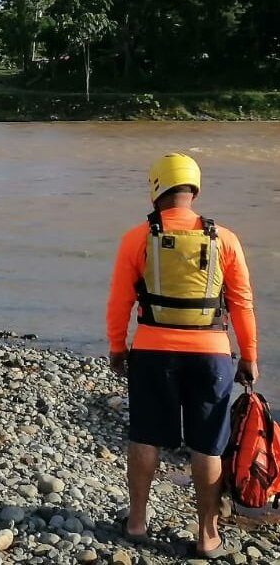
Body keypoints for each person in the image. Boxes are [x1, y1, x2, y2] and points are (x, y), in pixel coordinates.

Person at [107, 152, 258, 558]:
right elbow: (242, 303)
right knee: (207, 446)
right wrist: (249, 356)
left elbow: (120, 301)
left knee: (145, 436)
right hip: (212, 357)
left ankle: (137, 523)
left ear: (156, 188)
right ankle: (208, 537)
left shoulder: (137, 238)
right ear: (195, 189)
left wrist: (117, 347)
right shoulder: (225, 238)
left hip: (153, 353)